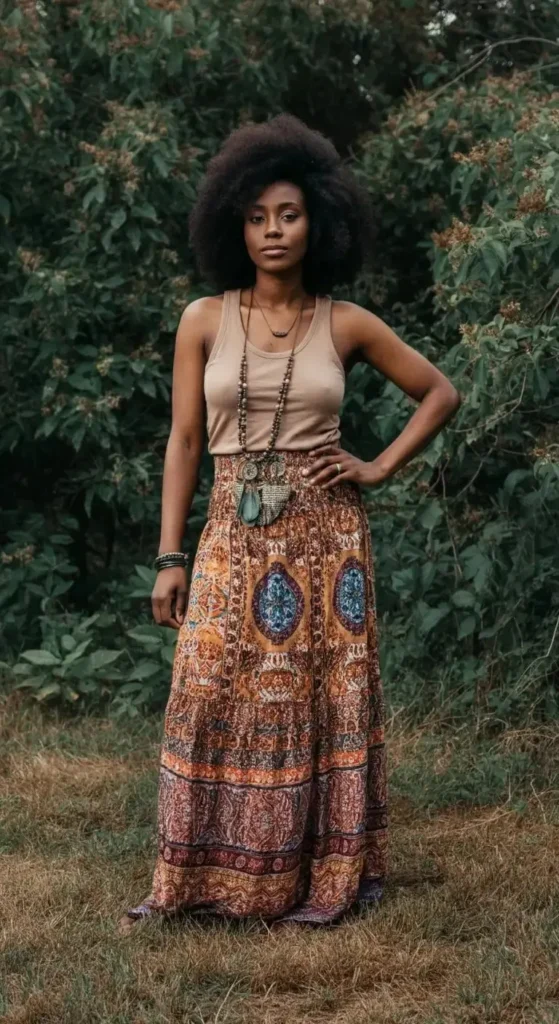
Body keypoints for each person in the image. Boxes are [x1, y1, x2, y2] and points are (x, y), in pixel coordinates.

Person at [118, 112, 461, 935]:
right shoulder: (203, 316)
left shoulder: (345, 322)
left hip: (326, 540)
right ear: (232, 223)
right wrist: (170, 554)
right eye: (256, 216)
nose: (273, 231)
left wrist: (376, 466)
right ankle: (195, 879)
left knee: (318, 703)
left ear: (320, 221)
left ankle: (322, 876)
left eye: (289, 215)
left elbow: (439, 392)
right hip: (231, 535)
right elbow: (187, 440)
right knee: (205, 692)